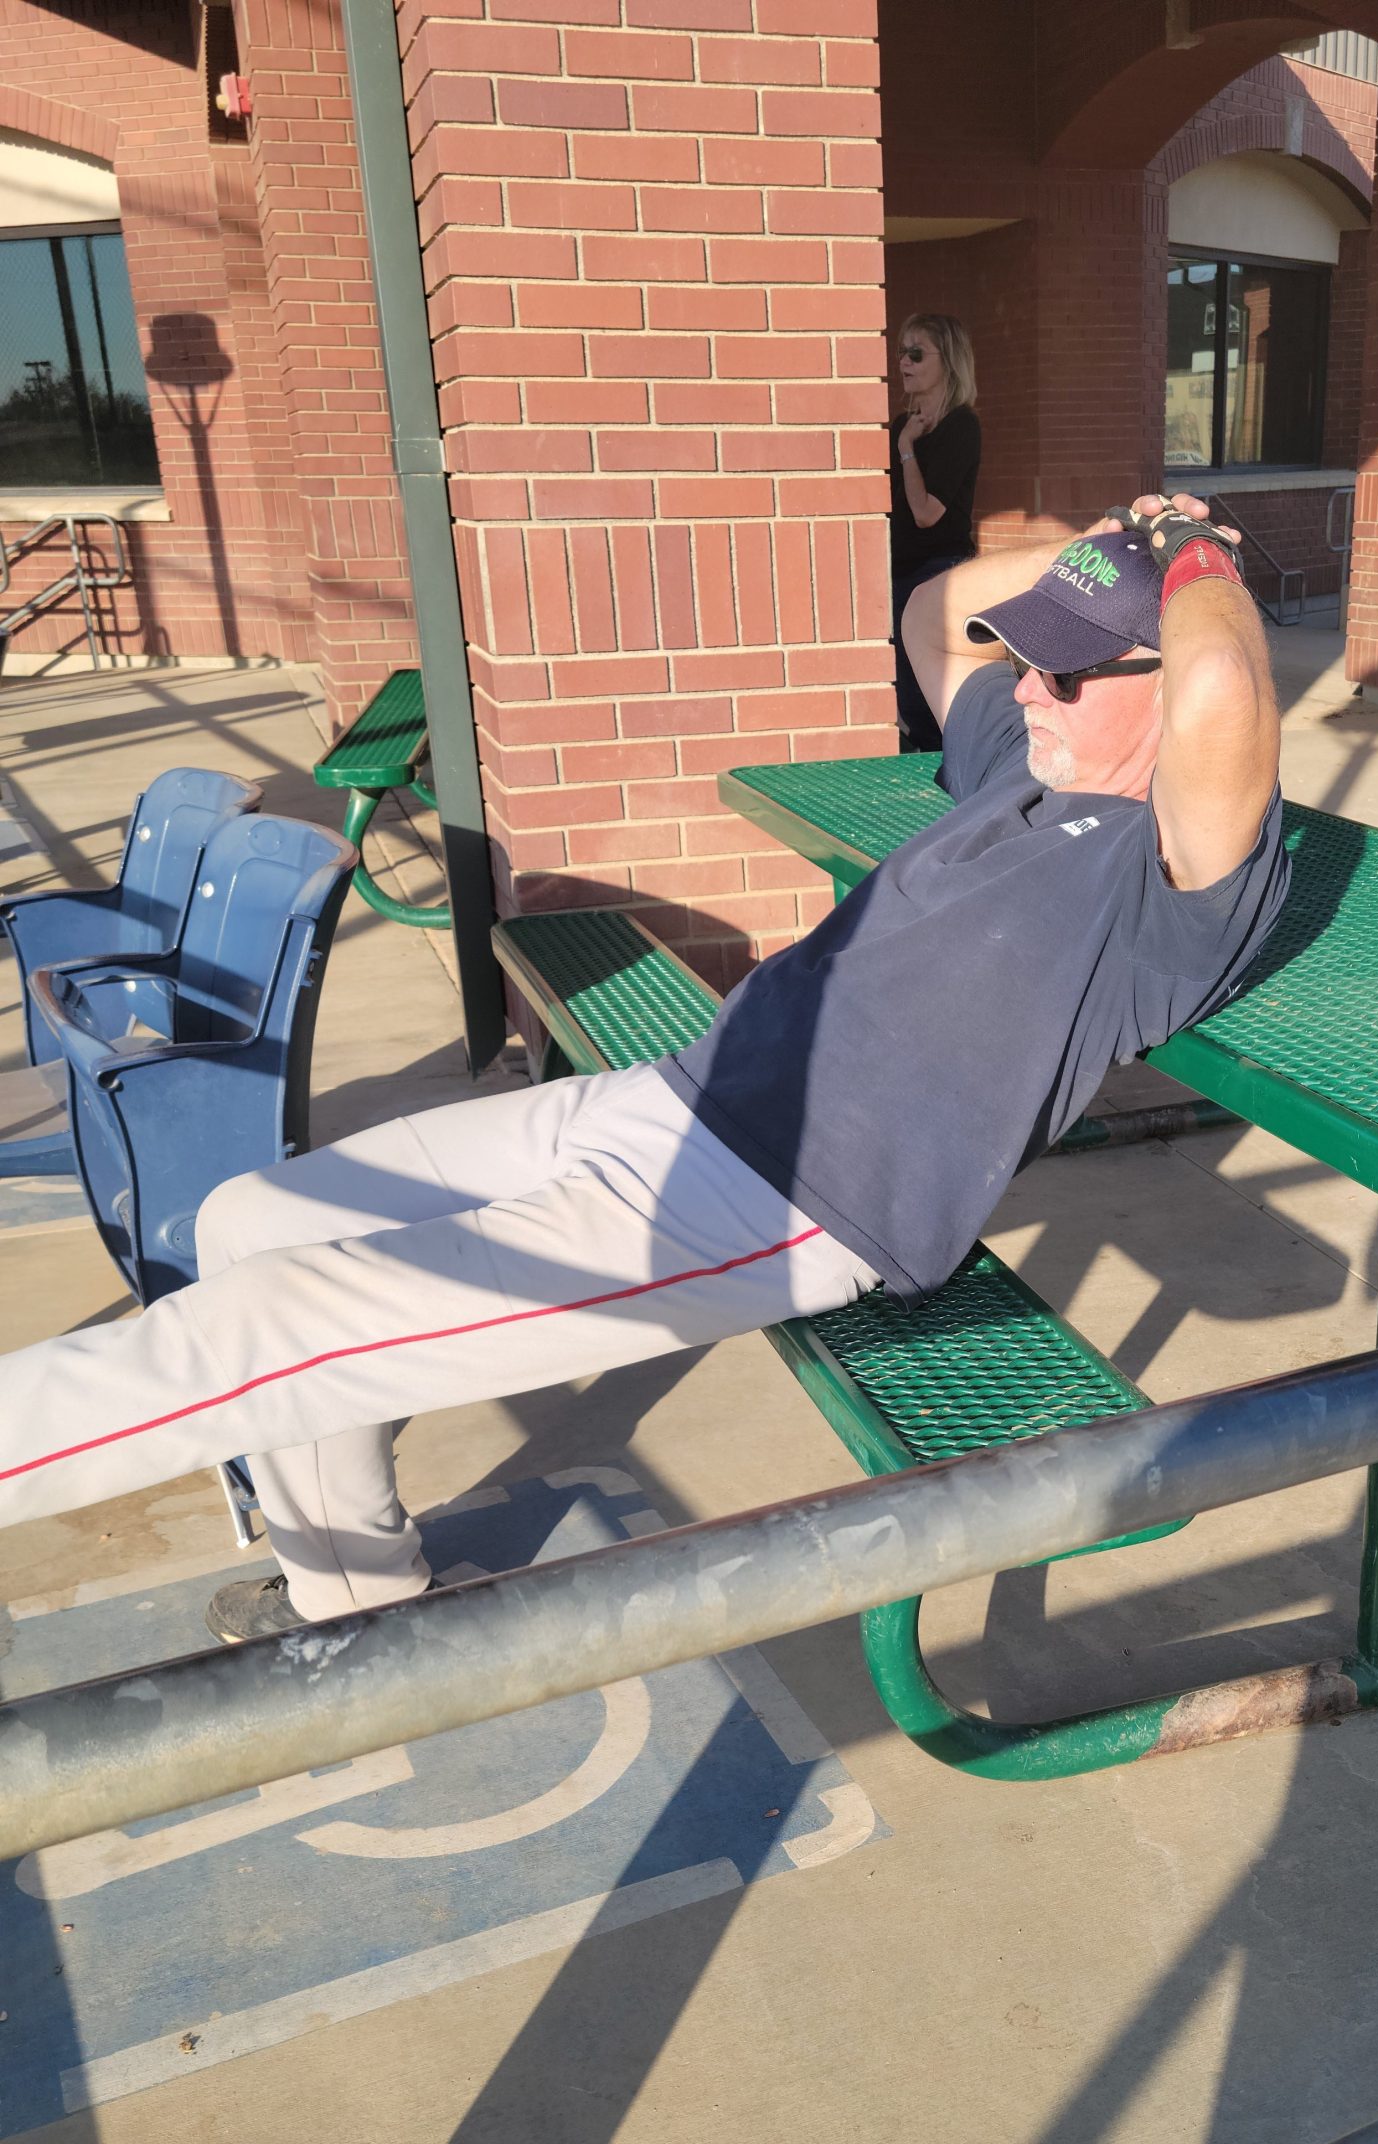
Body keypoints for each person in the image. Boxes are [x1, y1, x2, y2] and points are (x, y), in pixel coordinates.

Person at [0, 493, 1285, 1645]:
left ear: (1167, 689)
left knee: (271, 1331)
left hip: (775, 1201)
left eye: (1068, 671)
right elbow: (932, 611)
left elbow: (1225, 686)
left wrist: (1194, 557)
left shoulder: (1174, 882)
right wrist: (1096, 551)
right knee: (252, 1218)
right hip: (669, 1097)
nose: (1030, 689)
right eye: (1032, 662)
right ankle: (357, 1600)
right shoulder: (1025, 768)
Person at [890, 312, 981, 751]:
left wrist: (907, 449)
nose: (903, 363)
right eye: (901, 352)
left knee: (934, 695)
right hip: (901, 573)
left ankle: (950, 780)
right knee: (907, 698)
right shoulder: (900, 425)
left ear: (947, 361)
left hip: (939, 574)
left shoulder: (961, 426)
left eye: (915, 353)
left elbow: (926, 513)